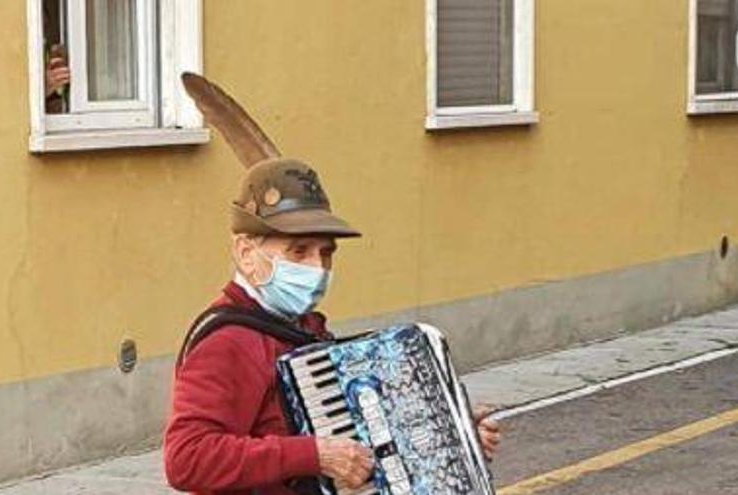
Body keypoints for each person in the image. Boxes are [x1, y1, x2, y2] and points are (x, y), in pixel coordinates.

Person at [163, 75, 501, 495]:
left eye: (325, 253)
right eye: (299, 250)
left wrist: (454, 438)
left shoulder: (301, 327)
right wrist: (313, 454)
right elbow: (186, 459)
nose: (317, 267)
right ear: (247, 254)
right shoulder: (228, 341)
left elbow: (366, 434)